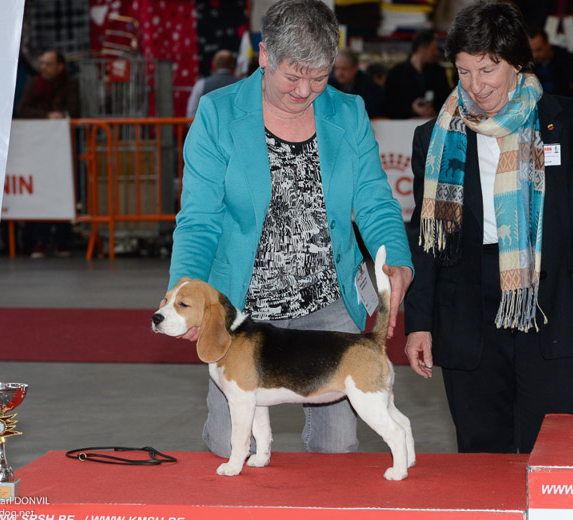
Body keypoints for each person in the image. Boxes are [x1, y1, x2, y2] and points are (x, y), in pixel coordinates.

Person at [168, 0, 413, 459]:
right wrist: (184, 295)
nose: (305, 90)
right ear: (264, 56)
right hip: (240, 309)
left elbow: (375, 200)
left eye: (319, 77)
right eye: (293, 76)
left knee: (337, 445)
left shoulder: (349, 112)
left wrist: (396, 259)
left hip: (328, 302)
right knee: (228, 446)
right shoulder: (217, 115)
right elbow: (198, 219)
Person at [403, 0, 573, 454]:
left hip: (559, 305)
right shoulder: (435, 137)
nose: (475, 85)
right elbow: (427, 241)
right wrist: (419, 323)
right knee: (481, 454)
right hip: (469, 311)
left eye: (487, 70)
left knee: (553, 452)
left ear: (518, 62)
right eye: (464, 72)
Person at [16, 49, 80, 258]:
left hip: (64, 149)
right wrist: (46, 116)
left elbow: (75, 108)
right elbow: (22, 109)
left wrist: (61, 115)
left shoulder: (70, 83)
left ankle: (63, 240)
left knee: (64, 190)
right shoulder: (34, 83)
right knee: (42, 193)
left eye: (48, 64)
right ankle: (40, 240)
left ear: (60, 66)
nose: (43, 67)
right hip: (39, 150)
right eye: (42, 63)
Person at [381, 29, 452, 119]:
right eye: (433, 50)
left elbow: (448, 102)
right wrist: (411, 109)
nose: (436, 53)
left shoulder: (439, 72)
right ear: (422, 49)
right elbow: (387, 107)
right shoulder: (395, 74)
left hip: (433, 126)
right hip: (402, 129)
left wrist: (435, 111)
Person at [527, 28, 573, 103]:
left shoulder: (570, 61)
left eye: (539, 50)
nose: (535, 55)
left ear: (547, 44)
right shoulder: (525, 66)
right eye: (532, 51)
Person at [328, 49, 383, 117]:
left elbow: (370, 110)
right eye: (337, 68)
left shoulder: (368, 85)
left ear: (355, 68)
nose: (340, 73)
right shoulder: (328, 84)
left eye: (344, 69)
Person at [186, 50, 239, 118]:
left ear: (213, 65)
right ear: (233, 65)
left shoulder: (202, 84)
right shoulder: (243, 85)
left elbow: (191, 114)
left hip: (208, 127)